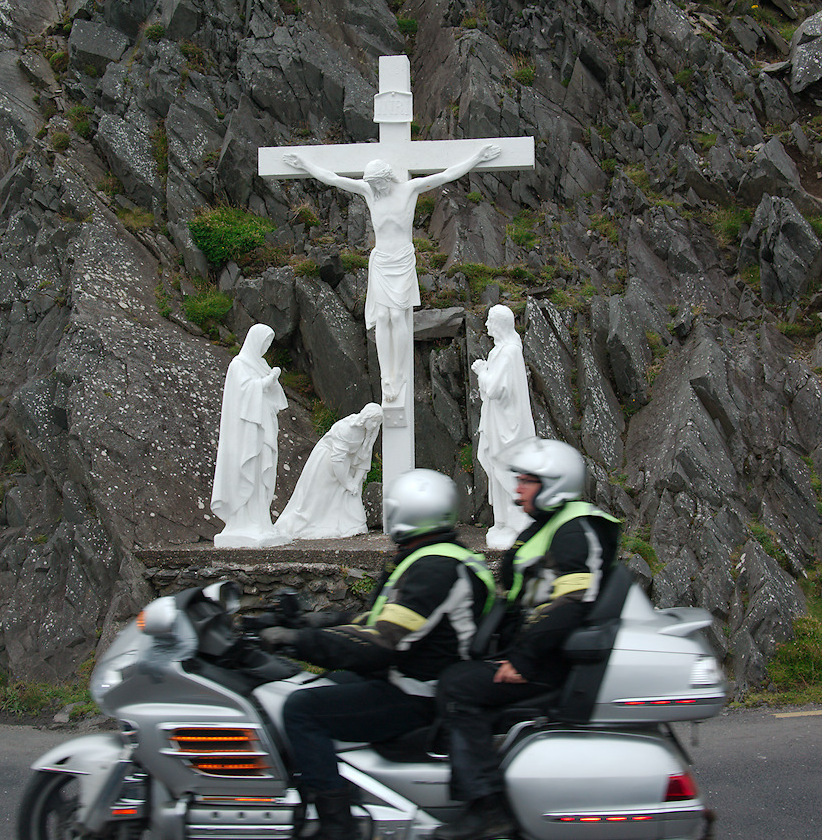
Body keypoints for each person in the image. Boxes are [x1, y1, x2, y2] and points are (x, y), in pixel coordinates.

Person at [260, 469, 495, 840]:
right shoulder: (434, 556)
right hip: (413, 676)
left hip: (419, 691)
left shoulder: (435, 568)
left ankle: (337, 825)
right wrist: (310, 622)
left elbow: (380, 643)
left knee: (300, 710)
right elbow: (377, 620)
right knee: (314, 684)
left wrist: (295, 640)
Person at [433, 439, 622, 840]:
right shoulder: (552, 525)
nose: (517, 489)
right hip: (535, 650)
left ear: (553, 484)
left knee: (457, 687)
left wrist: (523, 659)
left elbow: (571, 602)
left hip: (549, 662)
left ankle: (486, 806)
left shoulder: (575, 529)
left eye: (526, 481)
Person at [283, 144, 500, 404]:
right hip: (382, 262)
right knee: (383, 317)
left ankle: (398, 373)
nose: (377, 189)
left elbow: (446, 175)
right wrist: (305, 165)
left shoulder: (409, 190)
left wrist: (476, 156)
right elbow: (334, 179)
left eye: (379, 183)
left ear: (387, 177)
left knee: (398, 317)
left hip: (402, 261)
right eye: (372, 184)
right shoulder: (369, 193)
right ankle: (387, 376)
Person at [210, 323, 289, 546]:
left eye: (268, 344)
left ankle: (261, 520)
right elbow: (243, 394)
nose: (265, 348)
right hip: (247, 432)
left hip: (264, 425)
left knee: (264, 471)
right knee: (250, 470)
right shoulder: (239, 365)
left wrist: (271, 381)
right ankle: (244, 521)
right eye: (263, 343)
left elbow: (276, 400)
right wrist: (267, 381)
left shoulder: (261, 364)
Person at [471, 305, 535, 549]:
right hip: (501, 421)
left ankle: (516, 524)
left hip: (507, 427)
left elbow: (495, 389)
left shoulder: (508, 353)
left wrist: (481, 371)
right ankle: (504, 522)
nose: (486, 326)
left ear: (499, 324)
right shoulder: (505, 350)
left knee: (505, 469)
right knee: (500, 471)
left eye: (489, 321)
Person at [275, 403, 383, 539]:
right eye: (373, 421)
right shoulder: (345, 428)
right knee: (319, 496)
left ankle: (350, 525)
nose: (374, 425)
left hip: (347, 464)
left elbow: (364, 457)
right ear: (364, 417)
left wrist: (354, 482)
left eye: (377, 422)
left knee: (350, 495)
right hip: (327, 460)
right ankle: (312, 524)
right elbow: (337, 460)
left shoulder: (371, 431)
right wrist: (347, 483)